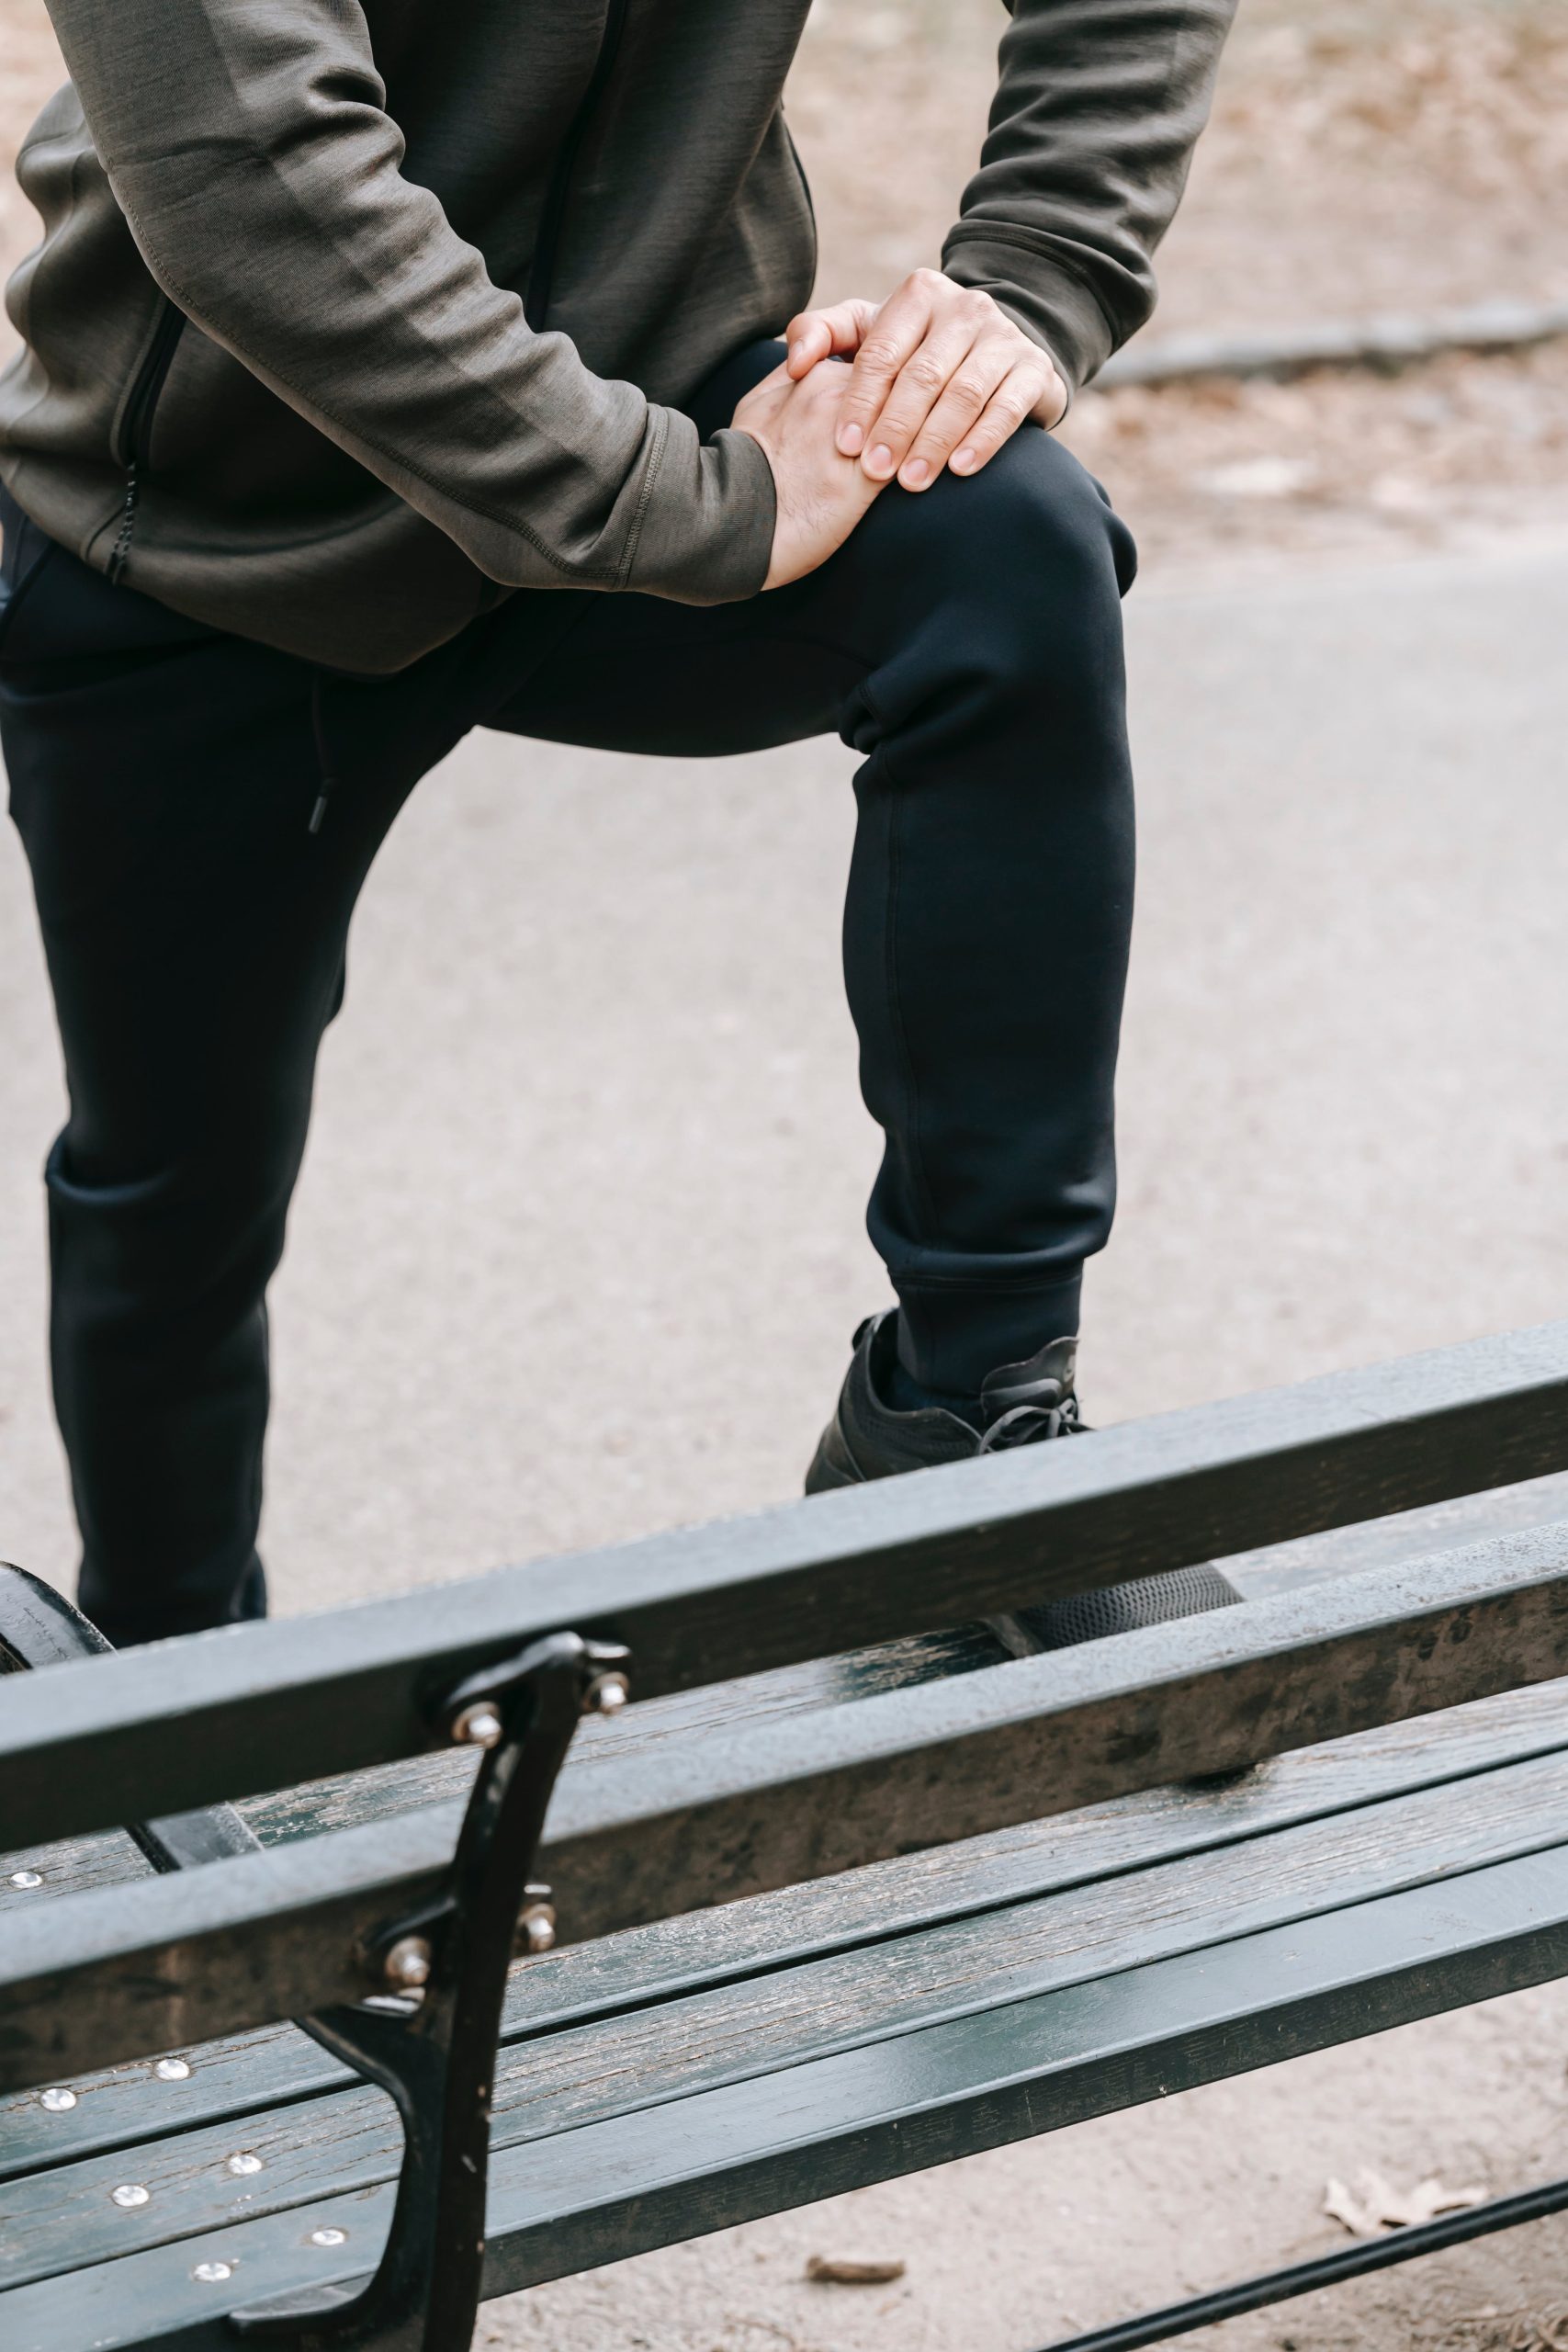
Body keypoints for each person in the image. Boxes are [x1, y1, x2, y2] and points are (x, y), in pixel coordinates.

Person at [0, 0, 1240, 1652]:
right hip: (222, 526)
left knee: (1005, 545)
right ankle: (171, 1671)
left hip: (669, 387)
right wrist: (690, 506)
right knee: (178, 1174)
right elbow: (250, 172)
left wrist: (1041, 267)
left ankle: (967, 1428)